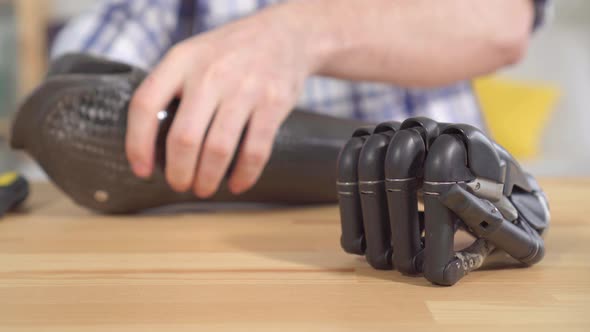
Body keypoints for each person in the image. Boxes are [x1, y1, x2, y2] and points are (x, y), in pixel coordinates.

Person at [51, 0, 551, 199]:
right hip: (236, 248)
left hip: (438, 212)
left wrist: (298, 34)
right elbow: (77, 77)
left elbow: (503, 21)